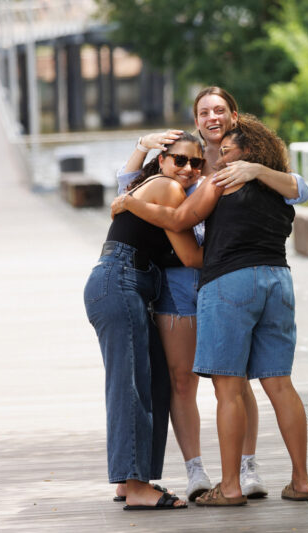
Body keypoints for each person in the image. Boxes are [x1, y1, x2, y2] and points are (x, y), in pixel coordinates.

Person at [116, 86, 308, 500]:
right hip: (268, 279)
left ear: (236, 124)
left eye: (220, 110)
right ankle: (295, 480)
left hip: (224, 282)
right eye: (204, 111)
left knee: (230, 386)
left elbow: (180, 217)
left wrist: (129, 203)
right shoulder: (266, 184)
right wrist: (139, 155)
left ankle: (235, 482)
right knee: (273, 383)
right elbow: (296, 190)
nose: (201, 162)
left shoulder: (225, 176)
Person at [84, 133, 207, 511]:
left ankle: (131, 479)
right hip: (120, 282)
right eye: (179, 160)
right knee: (132, 386)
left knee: (153, 383)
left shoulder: (149, 188)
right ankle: (137, 487)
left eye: (196, 163)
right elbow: (190, 256)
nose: (187, 169)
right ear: (163, 161)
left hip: (131, 285)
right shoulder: (168, 189)